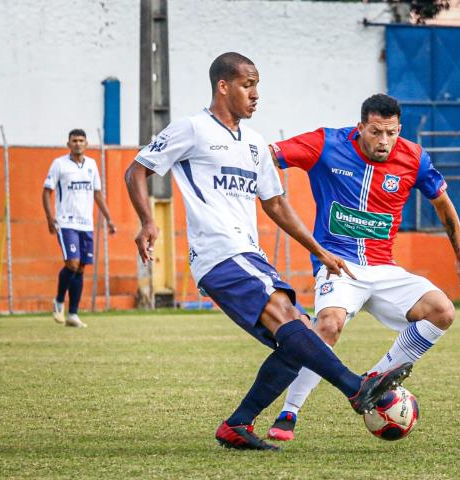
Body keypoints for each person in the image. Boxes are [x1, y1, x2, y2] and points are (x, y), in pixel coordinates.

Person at [125, 53, 412, 451]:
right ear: (223, 86)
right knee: (289, 320)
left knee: (298, 338)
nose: (256, 94)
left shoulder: (256, 144)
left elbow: (275, 205)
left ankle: (238, 424)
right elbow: (137, 169)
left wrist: (320, 251)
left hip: (248, 254)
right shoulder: (192, 129)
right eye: (247, 84)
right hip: (220, 252)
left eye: (257, 85)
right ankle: (355, 388)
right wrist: (147, 221)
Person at [266, 94, 460, 441]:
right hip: (338, 264)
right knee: (328, 324)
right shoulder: (326, 143)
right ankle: (288, 413)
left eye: (391, 133)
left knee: (442, 311)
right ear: (360, 128)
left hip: (384, 268)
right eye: (375, 132)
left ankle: (373, 381)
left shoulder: (414, 157)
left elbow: (442, 203)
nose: (384, 141)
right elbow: (270, 155)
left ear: (399, 129)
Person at [42, 129, 116, 328]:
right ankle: (58, 301)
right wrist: (50, 218)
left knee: (81, 267)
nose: (77, 144)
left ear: (86, 143)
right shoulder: (59, 164)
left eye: (81, 140)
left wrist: (109, 219)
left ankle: (73, 314)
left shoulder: (91, 165)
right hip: (66, 223)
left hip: (87, 224)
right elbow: (46, 191)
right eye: (74, 141)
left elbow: (98, 194)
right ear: (68, 144)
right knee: (72, 264)